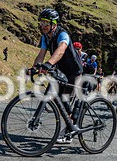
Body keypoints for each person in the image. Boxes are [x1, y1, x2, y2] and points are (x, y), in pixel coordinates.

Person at [32, 8, 83, 143]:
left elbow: (60, 51)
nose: (42, 26)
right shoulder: (45, 37)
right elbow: (41, 54)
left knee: (64, 99)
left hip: (73, 72)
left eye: (46, 23)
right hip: (60, 71)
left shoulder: (62, 34)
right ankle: (71, 125)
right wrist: (35, 67)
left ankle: (71, 128)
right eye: (41, 22)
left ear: (54, 24)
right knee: (57, 100)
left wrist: (49, 64)